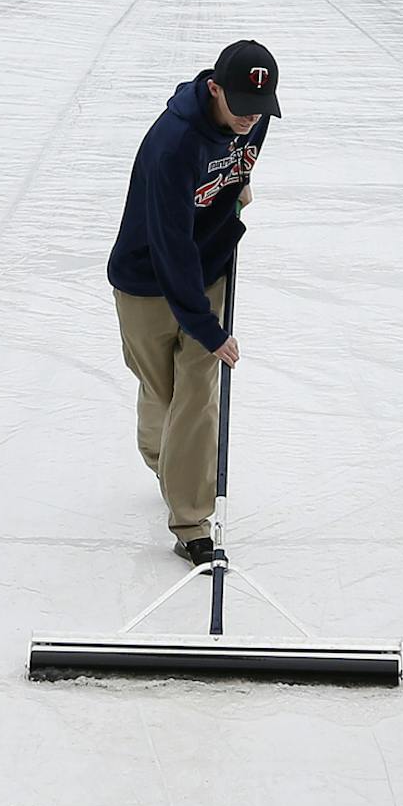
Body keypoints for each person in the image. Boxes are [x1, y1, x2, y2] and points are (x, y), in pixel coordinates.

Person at [107, 40, 279, 561]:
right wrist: (207, 327)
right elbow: (170, 247)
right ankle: (160, 455)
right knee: (162, 391)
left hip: (210, 268)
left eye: (261, 108)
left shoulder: (256, 116)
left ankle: (190, 523)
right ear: (213, 89)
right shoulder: (172, 144)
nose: (252, 119)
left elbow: (237, 157)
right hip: (146, 279)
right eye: (241, 107)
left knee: (197, 399)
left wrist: (238, 181)